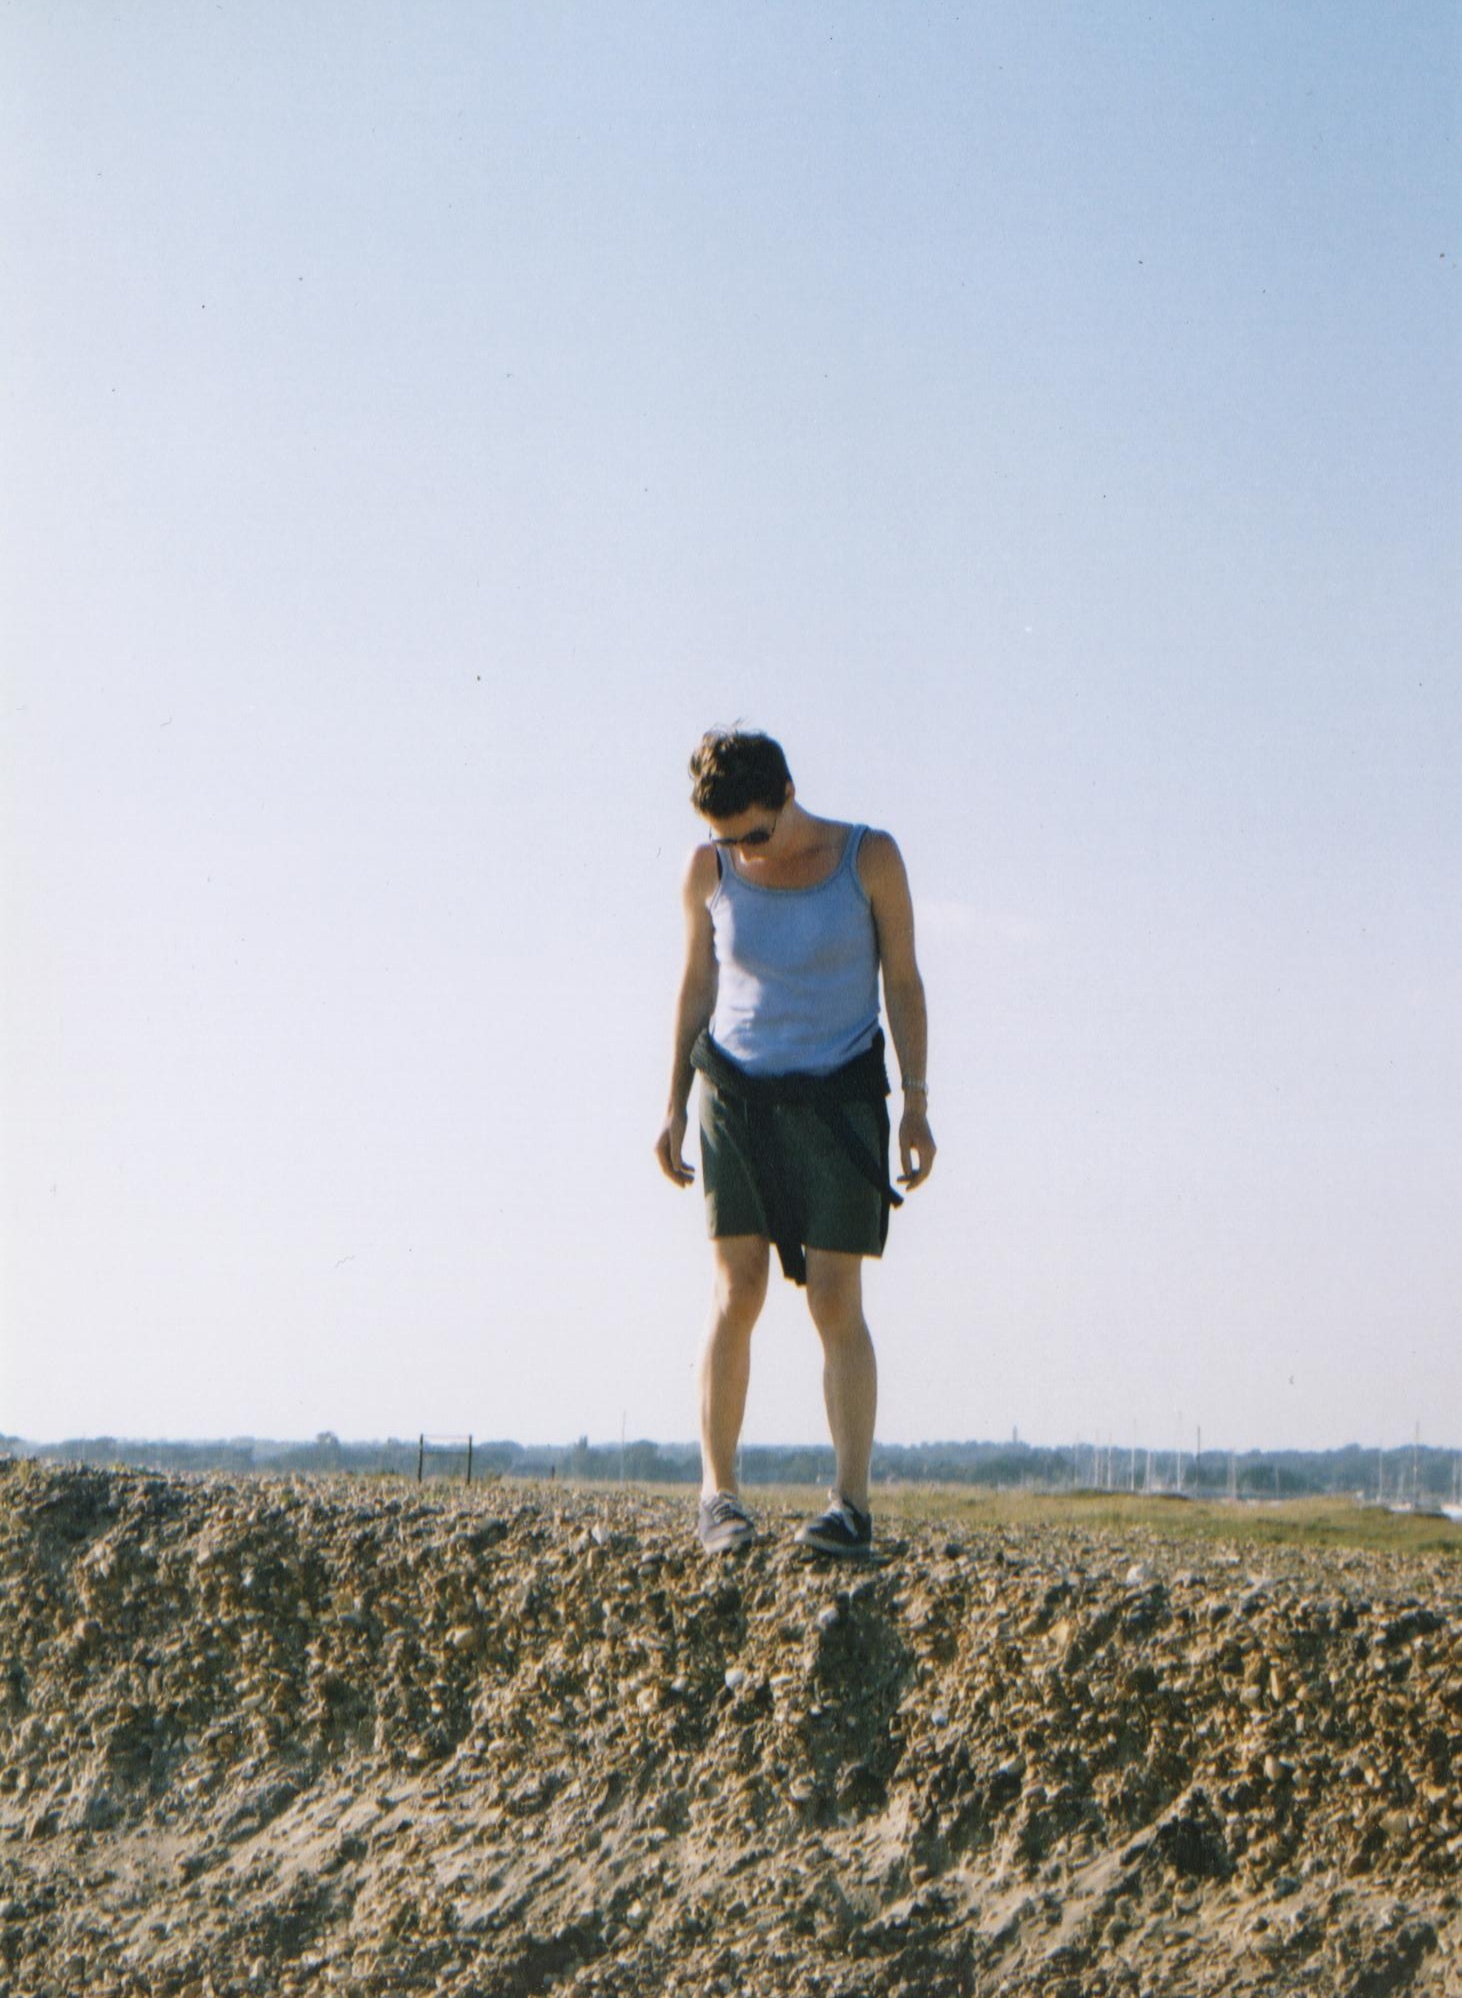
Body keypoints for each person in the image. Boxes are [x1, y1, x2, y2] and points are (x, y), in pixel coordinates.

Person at [654, 728, 935, 1557]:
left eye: (753, 832)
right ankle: (718, 1497)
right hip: (736, 1093)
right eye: (725, 837)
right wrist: (672, 1106)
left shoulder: (869, 858)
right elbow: (696, 985)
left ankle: (850, 1506)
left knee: (834, 1297)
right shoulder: (708, 870)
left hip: (839, 1095)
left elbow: (903, 980)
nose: (742, 850)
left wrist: (916, 1103)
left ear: (786, 794)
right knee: (736, 1290)